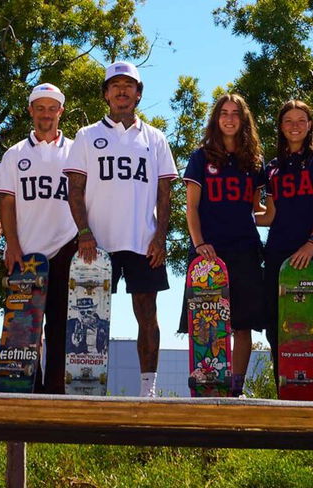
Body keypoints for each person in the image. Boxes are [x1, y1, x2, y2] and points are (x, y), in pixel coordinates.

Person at [64, 61, 177, 397]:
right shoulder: (86, 136)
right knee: (88, 319)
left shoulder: (155, 138)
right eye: (116, 85)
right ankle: (85, 384)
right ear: (106, 94)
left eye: (129, 85)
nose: (122, 90)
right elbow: (75, 189)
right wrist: (84, 232)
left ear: (139, 94)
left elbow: (165, 192)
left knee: (147, 313)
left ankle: (148, 389)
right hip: (96, 245)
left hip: (143, 241)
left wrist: (160, 237)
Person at [0, 83, 80, 393]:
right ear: (31, 111)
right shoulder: (15, 153)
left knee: (61, 326)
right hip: (27, 251)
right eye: (40, 108)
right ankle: (26, 390)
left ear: (61, 111)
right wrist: (11, 244)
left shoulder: (76, 150)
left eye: (52, 108)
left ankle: (55, 393)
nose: (46, 114)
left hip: (66, 247)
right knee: (25, 327)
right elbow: (6, 202)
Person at [182, 93, 267, 396]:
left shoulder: (254, 160)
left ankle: (237, 389)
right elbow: (190, 208)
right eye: (224, 113)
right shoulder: (201, 157)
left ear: (244, 120)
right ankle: (208, 386)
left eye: (236, 114)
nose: (229, 118)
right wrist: (200, 242)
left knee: (242, 325)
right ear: (216, 119)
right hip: (209, 251)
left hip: (244, 248)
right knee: (206, 322)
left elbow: (257, 210)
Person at [256, 100, 313, 400]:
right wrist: (231, 216)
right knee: (276, 328)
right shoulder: (272, 168)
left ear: (309, 124)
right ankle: (286, 396)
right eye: (288, 120)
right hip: (278, 253)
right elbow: (270, 215)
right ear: (280, 126)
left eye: (301, 119)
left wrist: (312, 242)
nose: (294, 125)